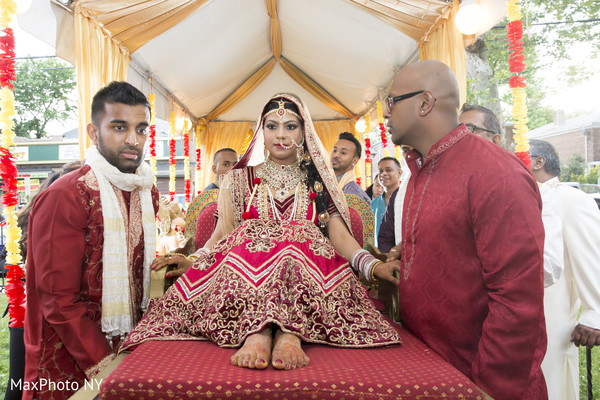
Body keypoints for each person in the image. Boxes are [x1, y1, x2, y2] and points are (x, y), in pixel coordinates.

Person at [122, 94, 402, 371]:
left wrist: (374, 266)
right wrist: (194, 260)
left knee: (292, 247)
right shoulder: (239, 178)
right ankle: (258, 331)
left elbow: (339, 237)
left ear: (304, 132)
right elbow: (221, 235)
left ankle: (288, 332)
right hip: (248, 270)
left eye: (290, 126)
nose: (280, 135)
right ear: (261, 130)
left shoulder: (318, 181)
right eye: (272, 126)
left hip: (305, 272)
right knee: (253, 241)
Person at [383, 60, 547, 399]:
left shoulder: (495, 173)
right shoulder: (421, 169)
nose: (385, 113)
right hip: (432, 372)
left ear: (424, 103)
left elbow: (517, 301)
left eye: (391, 101)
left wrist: (487, 387)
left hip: (479, 380)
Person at [23, 81, 160, 400]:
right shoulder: (67, 195)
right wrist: (106, 368)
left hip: (127, 353)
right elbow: (58, 300)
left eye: (141, 129)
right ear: (93, 132)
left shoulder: (144, 191)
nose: (132, 139)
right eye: (119, 127)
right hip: (69, 366)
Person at [459, 104, 564, 288]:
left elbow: (549, 267)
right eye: (456, 131)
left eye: (469, 130)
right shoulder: (449, 191)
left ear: (495, 139)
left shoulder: (530, 189)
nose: (460, 138)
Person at [529, 139, 600, 400]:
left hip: (552, 315)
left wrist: (595, 313)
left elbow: (590, 258)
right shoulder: (516, 196)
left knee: (551, 382)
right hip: (514, 315)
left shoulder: (572, 200)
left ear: (538, 162)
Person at [330, 131, 370, 203]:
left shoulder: (357, 195)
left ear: (355, 160)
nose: (336, 155)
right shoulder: (323, 182)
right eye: (335, 150)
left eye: (343, 153)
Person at [371, 157, 401, 247]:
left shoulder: (406, 199)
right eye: (380, 171)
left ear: (399, 173)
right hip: (378, 255)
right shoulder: (372, 204)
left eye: (388, 170)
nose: (383, 174)